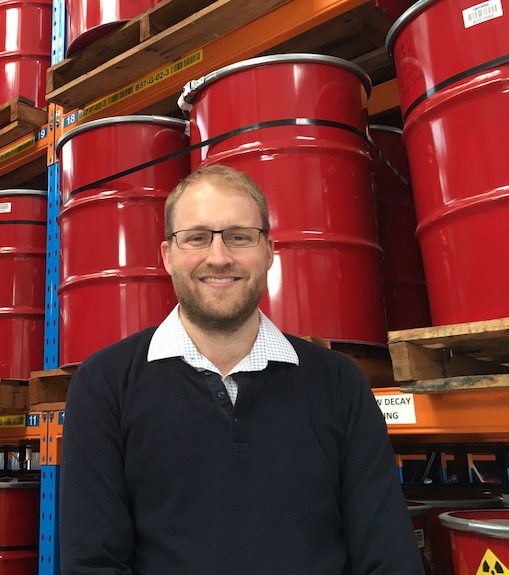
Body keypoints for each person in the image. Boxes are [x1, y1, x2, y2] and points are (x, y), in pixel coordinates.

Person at [60, 164, 424, 574]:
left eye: (239, 237)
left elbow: (388, 555)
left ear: (269, 251)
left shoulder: (339, 384)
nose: (219, 257)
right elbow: (92, 562)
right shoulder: (106, 385)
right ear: (167, 256)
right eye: (196, 238)